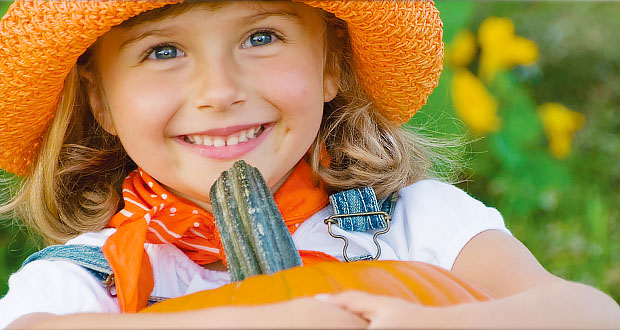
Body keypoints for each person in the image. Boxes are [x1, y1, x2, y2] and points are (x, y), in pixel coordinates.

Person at [0, 1, 618, 328]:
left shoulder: (417, 224)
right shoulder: (88, 279)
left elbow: (589, 315)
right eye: (164, 50)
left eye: (261, 37)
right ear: (101, 100)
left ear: (331, 65)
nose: (219, 91)